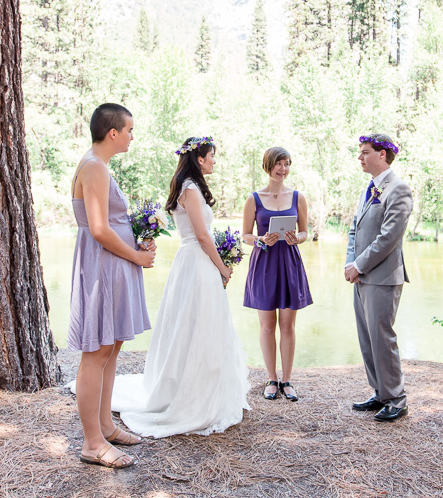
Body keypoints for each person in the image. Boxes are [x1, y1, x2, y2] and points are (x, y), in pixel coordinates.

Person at [107, 136, 251, 437]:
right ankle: (192, 394)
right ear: (199, 159)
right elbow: (202, 235)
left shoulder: (188, 187)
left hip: (191, 262)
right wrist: (222, 267)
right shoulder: (190, 189)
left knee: (194, 323)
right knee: (198, 323)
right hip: (197, 262)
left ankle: (199, 383)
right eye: (211, 155)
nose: (213, 161)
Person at [68, 103, 157, 469]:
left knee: (112, 347)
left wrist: (138, 240)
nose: (133, 137)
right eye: (130, 130)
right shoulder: (94, 167)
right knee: (97, 351)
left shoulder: (98, 166)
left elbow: (111, 223)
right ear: (113, 133)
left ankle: (105, 425)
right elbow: (100, 229)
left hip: (113, 264)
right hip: (103, 267)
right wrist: (136, 257)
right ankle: (92, 443)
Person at [344, 134, 413, 422]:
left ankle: (397, 399)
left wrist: (359, 265)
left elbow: (388, 238)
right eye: (360, 153)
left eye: (365, 152)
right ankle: (380, 392)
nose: (360, 158)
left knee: (382, 338)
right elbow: (354, 229)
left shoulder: (399, 190)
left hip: (383, 277)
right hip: (361, 277)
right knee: (367, 338)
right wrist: (351, 262)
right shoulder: (367, 189)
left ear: (383, 155)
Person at [242, 147, 312, 402]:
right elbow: (246, 236)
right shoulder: (254, 199)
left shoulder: (297, 197)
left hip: (289, 261)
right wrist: (260, 239)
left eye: (287, 164)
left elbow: (305, 232)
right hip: (264, 262)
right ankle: (272, 379)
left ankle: (287, 380)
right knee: (267, 325)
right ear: (268, 165)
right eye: (278, 164)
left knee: (288, 325)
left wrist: (297, 238)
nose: (283, 169)